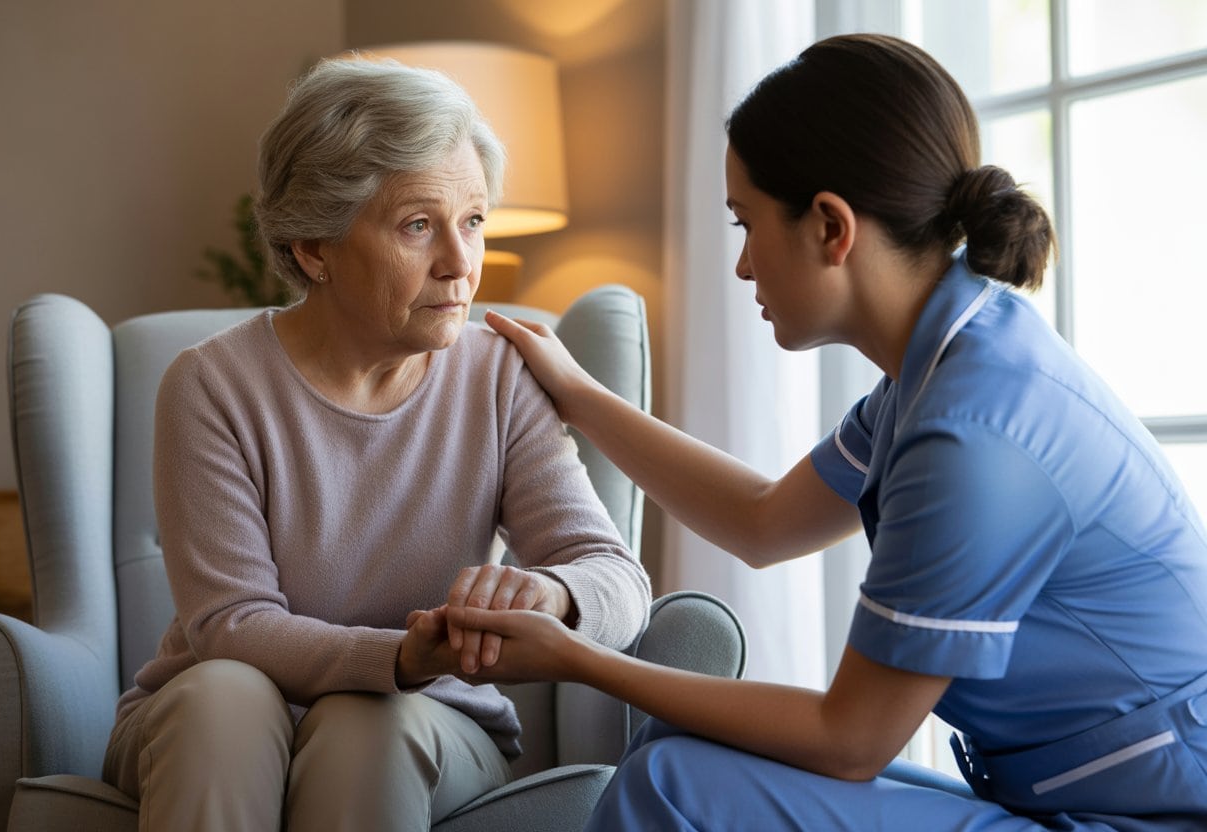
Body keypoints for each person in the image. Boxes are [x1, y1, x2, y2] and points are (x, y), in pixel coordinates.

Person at [455, 33, 1207, 830]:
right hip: (1070, 796)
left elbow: (851, 742)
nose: (743, 266)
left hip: (1146, 818)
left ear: (830, 227)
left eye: (745, 224)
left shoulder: (972, 432)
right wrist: (578, 395)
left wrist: (576, 658)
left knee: (674, 782)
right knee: (681, 746)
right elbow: (763, 520)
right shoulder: (940, 364)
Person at [99, 56, 651, 832]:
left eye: (473, 221)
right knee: (226, 699)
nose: (460, 265)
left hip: (426, 724)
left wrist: (554, 594)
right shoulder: (211, 385)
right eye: (418, 226)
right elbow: (232, 625)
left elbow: (616, 578)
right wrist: (396, 658)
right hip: (211, 712)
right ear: (312, 247)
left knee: (368, 723)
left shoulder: (500, 376)